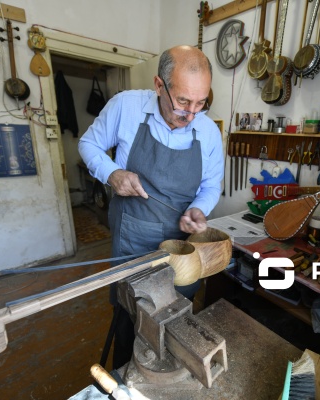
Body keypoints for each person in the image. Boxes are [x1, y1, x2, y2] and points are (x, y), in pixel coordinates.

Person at [78, 45, 223, 369]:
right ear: (159, 85)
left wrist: (199, 208)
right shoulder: (126, 107)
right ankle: (123, 380)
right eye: (183, 101)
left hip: (181, 249)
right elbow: (88, 144)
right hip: (133, 239)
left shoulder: (208, 131)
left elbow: (211, 186)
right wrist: (112, 173)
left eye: (201, 103)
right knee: (130, 321)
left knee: (174, 322)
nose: (191, 114)